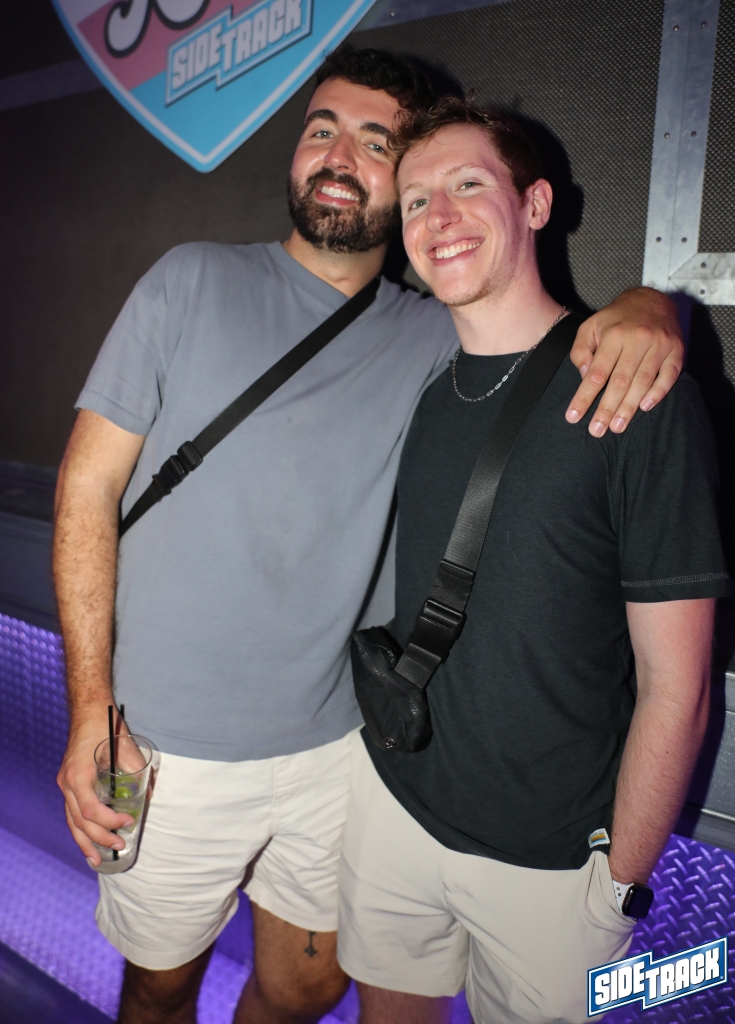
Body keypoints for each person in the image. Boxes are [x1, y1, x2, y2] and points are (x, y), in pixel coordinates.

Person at [54, 47, 686, 1024]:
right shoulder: (191, 280)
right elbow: (85, 490)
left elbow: (543, 329)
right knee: (160, 982)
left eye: (375, 141)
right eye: (321, 129)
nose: (338, 154)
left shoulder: (433, 332)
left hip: (341, 753)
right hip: (165, 748)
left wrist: (656, 305)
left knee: (309, 986)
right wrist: (90, 709)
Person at [335, 98, 729, 1024]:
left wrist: (618, 885)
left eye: (468, 184)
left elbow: (677, 686)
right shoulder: (423, 380)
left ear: (536, 204)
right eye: (416, 199)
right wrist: (657, 300)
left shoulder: (636, 393)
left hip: (550, 866)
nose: (438, 216)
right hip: (394, 802)